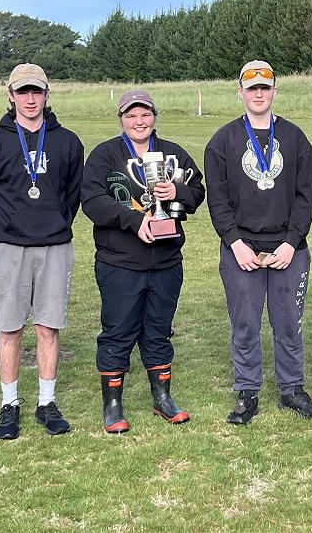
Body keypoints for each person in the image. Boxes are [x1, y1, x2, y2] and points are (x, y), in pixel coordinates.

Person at [205, 60, 312, 425]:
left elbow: (306, 195)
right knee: (245, 324)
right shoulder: (222, 141)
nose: (259, 94)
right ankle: (247, 390)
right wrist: (235, 243)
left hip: (288, 249)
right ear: (240, 92)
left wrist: (291, 242)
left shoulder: (295, 138)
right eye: (252, 88)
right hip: (241, 249)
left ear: (275, 91)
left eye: (265, 87)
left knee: (288, 323)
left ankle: (292, 389)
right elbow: (218, 201)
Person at [81, 89, 205, 434]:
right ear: (121, 119)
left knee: (159, 331)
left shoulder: (173, 154)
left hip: (166, 261)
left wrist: (177, 192)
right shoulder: (105, 155)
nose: (139, 121)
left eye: (145, 114)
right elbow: (92, 201)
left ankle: (162, 398)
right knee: (118, 332)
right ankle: (113, 405)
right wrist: (135, 221)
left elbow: (198, 191)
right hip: (120, 263)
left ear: (154, 116)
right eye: (131, 115)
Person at [0, 63, 84, 440]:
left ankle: (46, 402)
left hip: (54, 246)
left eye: (37, 91)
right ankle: (10, 404)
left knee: (48, 327)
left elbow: (72, 196)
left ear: (47, 94)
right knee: (9, 328)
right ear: (10, 95)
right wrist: (2, 236)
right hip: (9, 247)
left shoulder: (68, 142)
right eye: (23, 92)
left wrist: (54, 224)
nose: (30, 98)